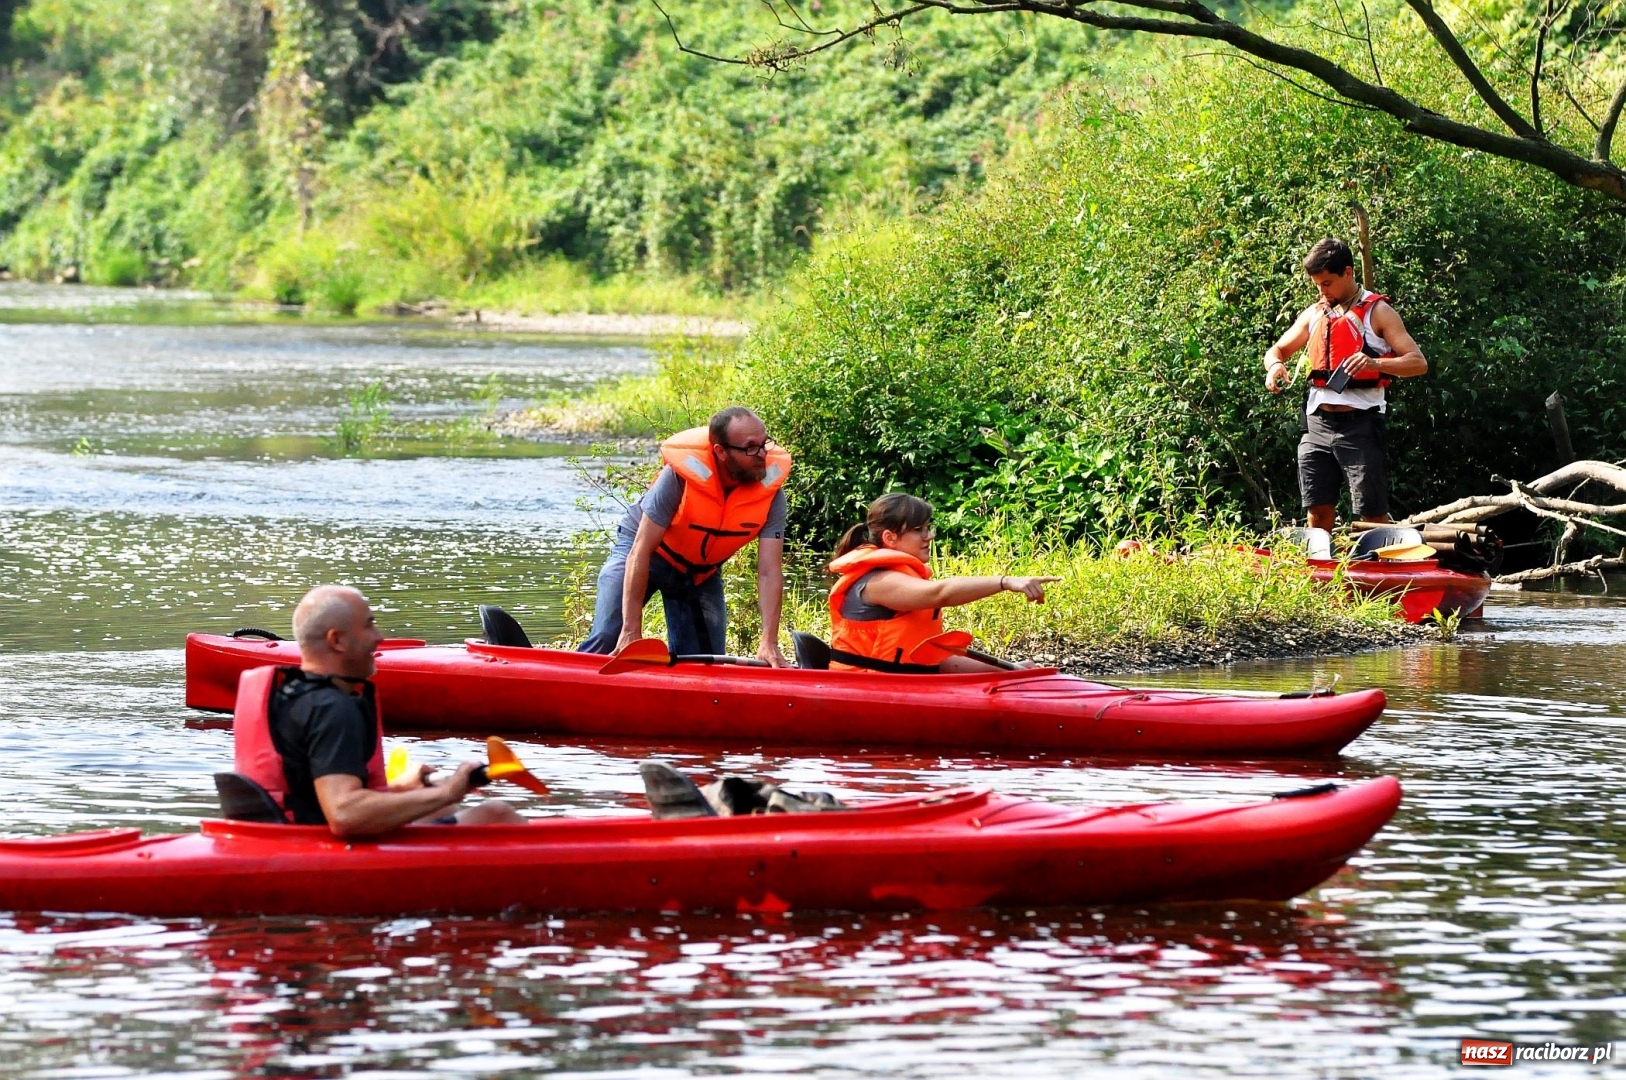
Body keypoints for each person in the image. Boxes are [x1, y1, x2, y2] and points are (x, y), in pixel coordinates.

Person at [232, 585, 525, 838]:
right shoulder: (334, 708)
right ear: (337, 640)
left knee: (441, 806)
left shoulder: (289, 695)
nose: (379, 636)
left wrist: (399, 789)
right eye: (369, 625)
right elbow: (345, 815)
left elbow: (309, 793)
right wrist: (450, 790)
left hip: (276, 836)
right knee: (495, 813)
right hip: (318, 854)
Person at [579, 406, 792, 666]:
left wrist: (768, 642)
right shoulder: (679, 478)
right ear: (721, 452)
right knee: (608, 638)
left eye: (764, 444)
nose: (761, 455)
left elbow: (769, 571)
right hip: (646, 553)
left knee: (706, 664)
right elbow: (641, 549)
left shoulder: (771, 496)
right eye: (750, 448)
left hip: (699, 573)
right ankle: (566, 684)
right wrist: (631, 629)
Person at [1263, 237, 1427, 533]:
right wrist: (1274, 366)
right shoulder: (1315, 314)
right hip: (1317, 424)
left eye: (1327, 283)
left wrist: (1374, 363)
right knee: (1317, 513)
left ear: (1348, 273)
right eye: (1317, 285)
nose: (1321, 291)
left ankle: (1378, 573)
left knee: (1371, 517)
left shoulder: (1378, 312)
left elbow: (1418, 362)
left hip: (1361, 423)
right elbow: (1276, 351)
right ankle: (1321, 573)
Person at [826, 493, 1059, 673]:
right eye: (919, 530)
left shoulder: (900, 578)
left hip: (900, 684)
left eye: (928, 528)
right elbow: (941, 593)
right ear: (890, 538)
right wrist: (1005, 581)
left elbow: (929, 660)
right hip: (869, 690)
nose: (929, 536)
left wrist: (1010, 672)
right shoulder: (879, 582)